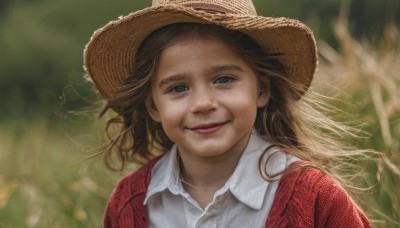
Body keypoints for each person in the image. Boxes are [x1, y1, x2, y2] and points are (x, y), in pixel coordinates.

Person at [83, 0, 372, 227]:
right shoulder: (130, 203)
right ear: (153, 106)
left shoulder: (316, 198)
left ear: (262, 89)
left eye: (223, 80)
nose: (202, 103)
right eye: (178, 88)